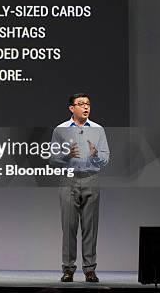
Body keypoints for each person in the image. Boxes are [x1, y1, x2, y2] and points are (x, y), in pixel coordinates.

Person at [50, 93, 110, 283]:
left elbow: (106, 158)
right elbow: (52, 159)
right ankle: (68, 269)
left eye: (88, 104)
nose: (86, 107)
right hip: (69, 180)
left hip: (91, 179)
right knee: (69, 227)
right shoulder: (60, 130)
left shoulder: (98, 130)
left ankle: (89, 270)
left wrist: (94, 156)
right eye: (81, 104)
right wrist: (66, 157)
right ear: (71, 108)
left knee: (90, 227)